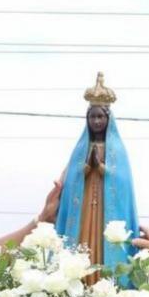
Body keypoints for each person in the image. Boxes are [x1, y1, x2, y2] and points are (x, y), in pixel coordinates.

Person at [55, 72, 139, 284]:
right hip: (83, 207)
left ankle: (105, 282)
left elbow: (122, 182)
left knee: (104, 240)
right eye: (92, 117)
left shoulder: (117, 148)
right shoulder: (80, 148)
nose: (96, 121)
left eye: (100, 117)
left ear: (108, 119)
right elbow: (71, 177)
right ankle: (81, 280)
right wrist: (86, 167)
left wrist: (101, 167)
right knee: (83, 239)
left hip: (106, 208)